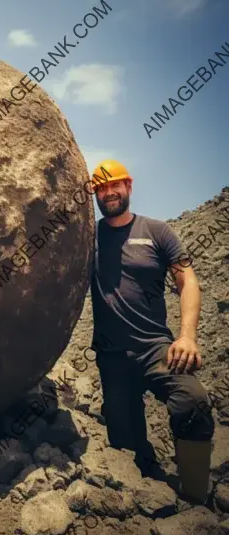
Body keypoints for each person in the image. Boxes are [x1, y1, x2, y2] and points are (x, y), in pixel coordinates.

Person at [89, 159, 214, 505]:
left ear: (129, 186)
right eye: (100, 187)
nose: (109, 192)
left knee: (192, 400)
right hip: (112, 359)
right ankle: (150, 493)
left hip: (156, 348)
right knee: (125, 446)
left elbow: (187, 280)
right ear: (94, 194)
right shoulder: (89, 236)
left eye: (115, 185)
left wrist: (187, 336)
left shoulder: (156, 231)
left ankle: (195, 493)